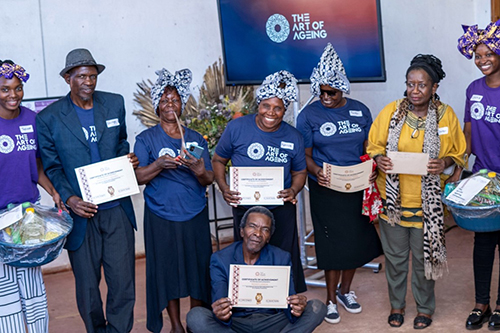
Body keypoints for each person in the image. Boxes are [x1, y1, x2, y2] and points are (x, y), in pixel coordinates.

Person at [36, 49, 138, 333]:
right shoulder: (49, 118)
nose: (88, 82)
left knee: (123, 281)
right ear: (68, 78)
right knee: (88, 287)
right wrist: (70, 199)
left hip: (116, 209)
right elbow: (53, 167)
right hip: (81, 215)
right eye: (81, 76)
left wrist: (126, 159)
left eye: (92, 76)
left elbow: (121, 143)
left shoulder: (114, 103)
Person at [367, 54, 466, 329]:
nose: (415, 90)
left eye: (422, 85)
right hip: (393, 202)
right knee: (396, 260)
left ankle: (424, 308)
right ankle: (397, 306)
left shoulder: (446, 115)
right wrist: (379, 159)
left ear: (434, 87)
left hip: (428, 204)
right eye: (410, 84)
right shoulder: (391, 111)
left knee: (425, 261)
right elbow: (373, 144)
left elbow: (458, 153)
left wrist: (443, 162)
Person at [296, 43, 383, 324]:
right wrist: (317, 171)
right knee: (331, 244)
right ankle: (330, 299)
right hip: (326, 188)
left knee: (355, 242)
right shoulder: (308, 115)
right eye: (320, 92)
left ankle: (346, 291)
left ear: (342, 89)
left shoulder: (360, 110)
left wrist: (372, 167)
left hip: (357, 186)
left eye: (331, 92)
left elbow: (370, 147)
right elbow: (305, 156)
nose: (325, 97)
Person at [212, 70, 307, 293]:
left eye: (278, 108)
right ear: (258, 104)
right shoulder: (237, 128)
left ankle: (283, 304)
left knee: (283, 258)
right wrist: (225, 188)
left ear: (285, 110)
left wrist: (293, 189)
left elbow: (300, 172)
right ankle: (247, 303)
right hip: (246, 208)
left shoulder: (294, 136)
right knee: (247, 256)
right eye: (266, 106)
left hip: (280, 209)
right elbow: (218, 160)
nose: (271, 112)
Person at [134, 68, 214, 333]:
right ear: (157, 105)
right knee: (168, 271)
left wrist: (199, 169)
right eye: (165, 100)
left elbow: (208, 178)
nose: (170, 104)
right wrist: (158, 164)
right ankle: (176, 325)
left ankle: (196, 321)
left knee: (197, 269)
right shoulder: (145, 139)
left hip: (194, 212)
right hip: (161, 215)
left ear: (183, 104)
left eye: (175, 100)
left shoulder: (195, 138)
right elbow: (138, 177)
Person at [0, 60, 67, 333]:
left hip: (29, 213)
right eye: (5, 90)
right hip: (0, 218)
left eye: (17, 88)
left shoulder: (31, 119)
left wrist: (54, 191)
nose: (12, 95)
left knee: (32, 284)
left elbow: (37, 164)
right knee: (5, 290)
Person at [186, 206, 326, 332]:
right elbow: (220, 297)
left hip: (271, 321)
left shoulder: (281, 258)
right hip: (236, 322)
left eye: (265, 229)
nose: (258, 233)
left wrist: (296, 308)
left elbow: (289, 302)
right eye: (252, 226)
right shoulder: (221, 259)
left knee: (317, 307)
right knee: (196, 316)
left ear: (269, 237)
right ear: (242, 231)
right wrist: (221, 312)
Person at [457, 20, 500, 330]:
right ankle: (481, 302)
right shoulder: (473, 89)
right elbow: (467, 136)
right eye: (478, 55)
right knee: (482, 243)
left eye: (489, 54)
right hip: (480, 180)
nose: (483, 60)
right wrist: (458, 171)